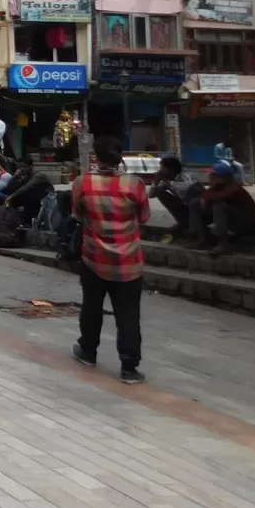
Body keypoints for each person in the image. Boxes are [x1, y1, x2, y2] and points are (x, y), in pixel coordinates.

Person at [71, 135, 149, 385]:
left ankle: (88, 351)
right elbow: (144, 216)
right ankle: (129, 366)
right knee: (128, 313)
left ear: (96, 157)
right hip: (129, 260)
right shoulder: (134, 184)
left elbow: (77, 214)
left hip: (94, 257)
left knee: (91, 306)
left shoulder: (82, 183)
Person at [190, 160, 255, 254]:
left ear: (222, 177)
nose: (210, 177)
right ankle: (202, 239)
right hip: (233, 221)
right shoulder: (218, 186)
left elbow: (217, 198)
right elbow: (202, 198)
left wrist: (207, 196)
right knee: (194, 203)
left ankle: (223, 245)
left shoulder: (235, 187)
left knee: (220, 206)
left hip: (250, 226)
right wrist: (207, 194)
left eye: (213, 175)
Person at [151, 155, 202, 234]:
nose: (160, 171)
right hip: (187, 210)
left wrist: (169, 183)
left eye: (162, 168)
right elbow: (150, 195)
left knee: (193, 200)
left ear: (171, 169)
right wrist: (155, 182)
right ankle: (182, 222)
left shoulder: (186, 176)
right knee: (160, 193)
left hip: (201, 210)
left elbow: (187, 187)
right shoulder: (167, 181)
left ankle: (196, 230)